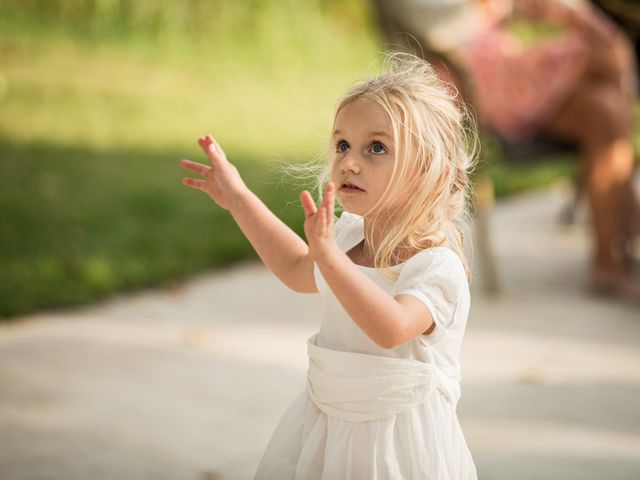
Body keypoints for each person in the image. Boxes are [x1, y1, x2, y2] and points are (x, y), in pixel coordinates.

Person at [180, 53, 479, 479]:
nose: (349, 162)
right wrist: (239, 199)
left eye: (376, 147)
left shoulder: (436, 267)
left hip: (398, 444)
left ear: (429, 170)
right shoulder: (347, 237)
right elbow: (297, 268)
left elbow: (390, 327)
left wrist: (331, 259)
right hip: (326, 427)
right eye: (342, 145)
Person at [372, 0, 640, 299]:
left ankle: (612, 252)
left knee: (606, 109)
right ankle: (624, 228)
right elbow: (440, 24)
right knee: (609, 55)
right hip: (469, 72)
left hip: (500, 62)